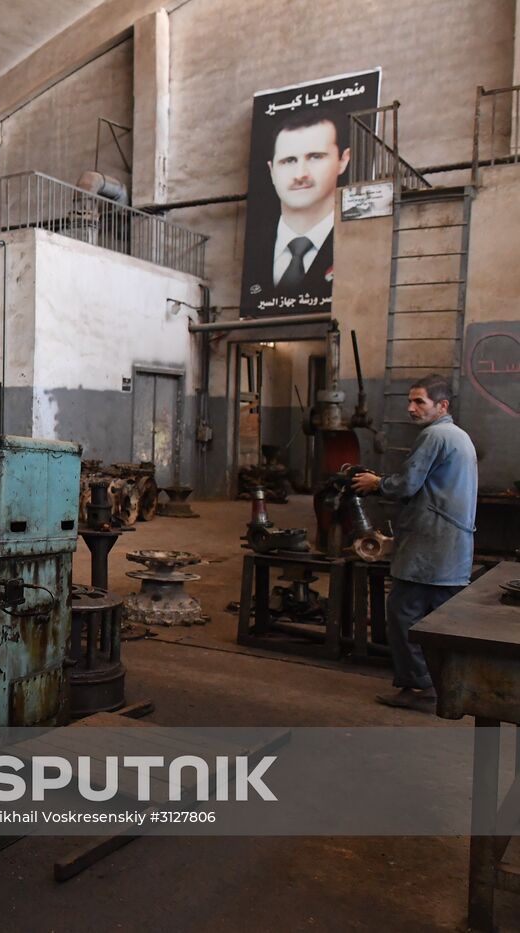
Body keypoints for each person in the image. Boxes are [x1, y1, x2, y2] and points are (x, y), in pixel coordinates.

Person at [351, 374, 476, 713]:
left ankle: (421, 688)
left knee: (403, 614)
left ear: (442, 405)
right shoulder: (460, 437)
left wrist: (376, 483)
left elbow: (406, 485)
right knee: (441, 622)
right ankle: (444, 685)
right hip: (451, 548)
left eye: (420, 401)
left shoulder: (435, 436)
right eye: (410, 400)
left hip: (428, 546)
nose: (411, 407)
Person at [246, 111, 351, 310]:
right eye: (289, 161)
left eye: (315, 157)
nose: (300, 174)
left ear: (343, 160)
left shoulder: (356, 242)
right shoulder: (255, 247)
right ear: (271, 170)